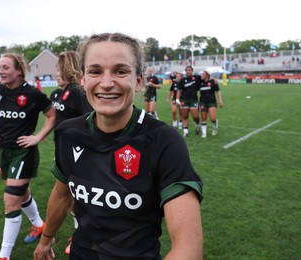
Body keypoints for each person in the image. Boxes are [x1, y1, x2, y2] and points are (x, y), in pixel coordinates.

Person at [34, 32, 203, 260]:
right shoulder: (69, 132)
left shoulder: (164, 141)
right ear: (83, 79)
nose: (106, 83)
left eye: (121, 71)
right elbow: (62, 194)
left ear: (139, 81)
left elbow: (188, 247)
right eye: (95, 71)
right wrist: (46, 239)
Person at [0, 52, 56, 260]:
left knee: (11, 199)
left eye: (6, 67)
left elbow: (52, 115)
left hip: (24, 153)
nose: (1, 71)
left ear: (19, 70)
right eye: (0, 67)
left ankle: (4, 255)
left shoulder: (32, 94)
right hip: (3, 152)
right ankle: (39, 225)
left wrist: (37, 137)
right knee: (22, 193)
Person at [51, 51, 93, 255]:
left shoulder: (77, 92)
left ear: (67, 68)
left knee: (78, 197)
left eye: (59, 68)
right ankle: (79, 233)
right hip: (63, 150)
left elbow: (88, 121)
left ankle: (80, 235)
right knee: (70, 196)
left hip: (78, 152)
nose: (56, 73)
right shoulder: (58, 93)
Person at [176, 66, 201, 137]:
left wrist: (213, 79)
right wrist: (177, 99)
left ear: (192, 71)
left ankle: (197, 124)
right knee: (185, 116)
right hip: (184, 100)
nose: (188, 71)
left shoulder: (196, 78)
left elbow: (205, 79)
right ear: (185, 71)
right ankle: (185, 132)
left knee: (195, 116)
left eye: (189, 70)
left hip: (193, 100)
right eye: (187, 70)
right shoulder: (182, 80)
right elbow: (179, 90)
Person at [199, 70, 223, 138]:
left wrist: (220, 101)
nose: (201, 75)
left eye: (203, 74)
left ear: (207, 75)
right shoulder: (200, 82)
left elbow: (218, 91)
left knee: (212, 119)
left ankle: (215, 127)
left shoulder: (213, 82)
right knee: (203, 118)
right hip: (202, 102)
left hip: (212, 102)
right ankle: (204, 133)